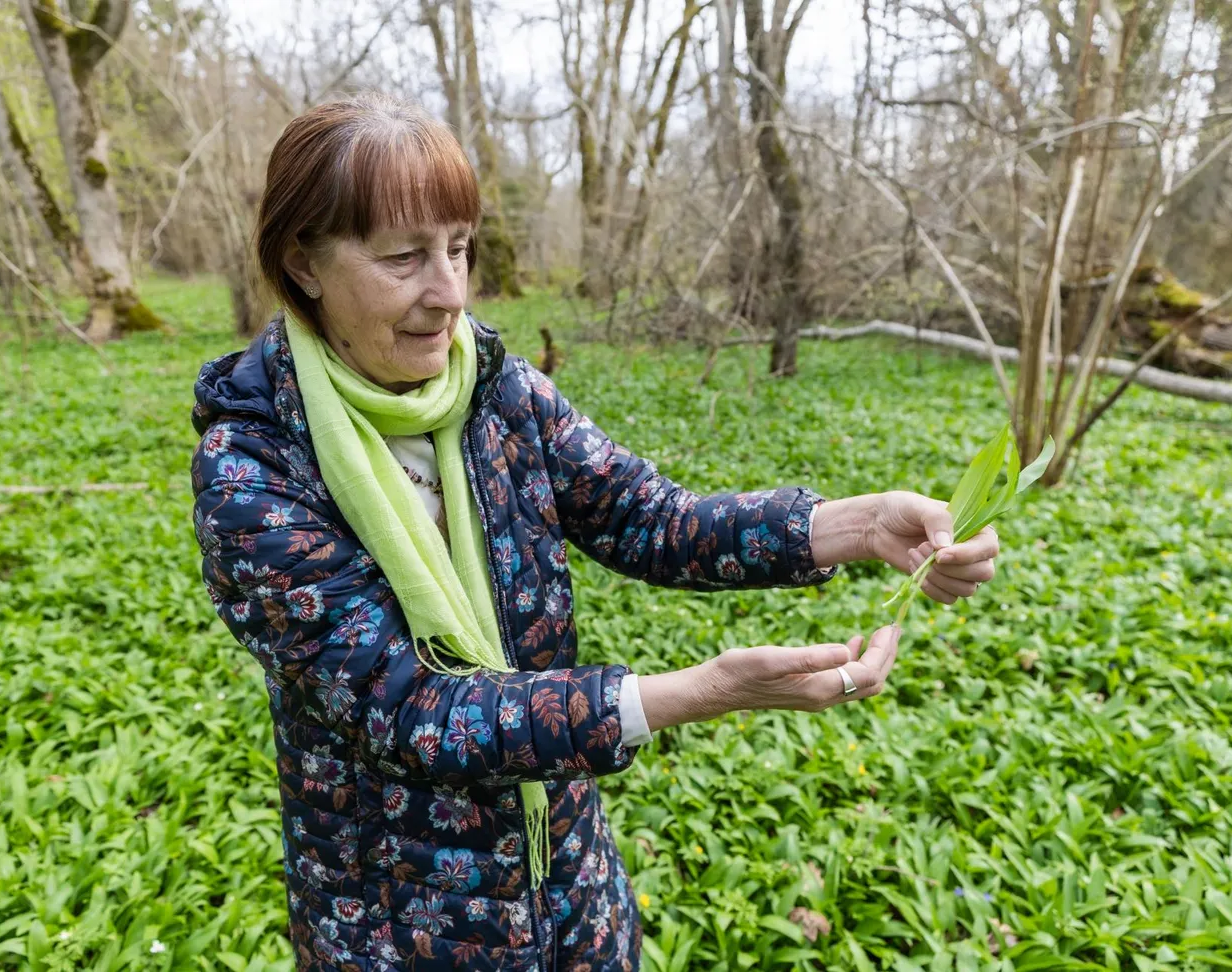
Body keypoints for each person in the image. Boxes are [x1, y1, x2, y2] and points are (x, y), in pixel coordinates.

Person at [189, 91, 999, 972]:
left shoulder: (494, 390)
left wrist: (856, 523)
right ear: (304, 261)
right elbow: (418, 713)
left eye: (459, 249)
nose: (448, 293)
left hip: (569, 894)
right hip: (397, 927)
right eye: (403, 258)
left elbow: (651, 519)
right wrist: (699, 692)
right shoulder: (256, 472)